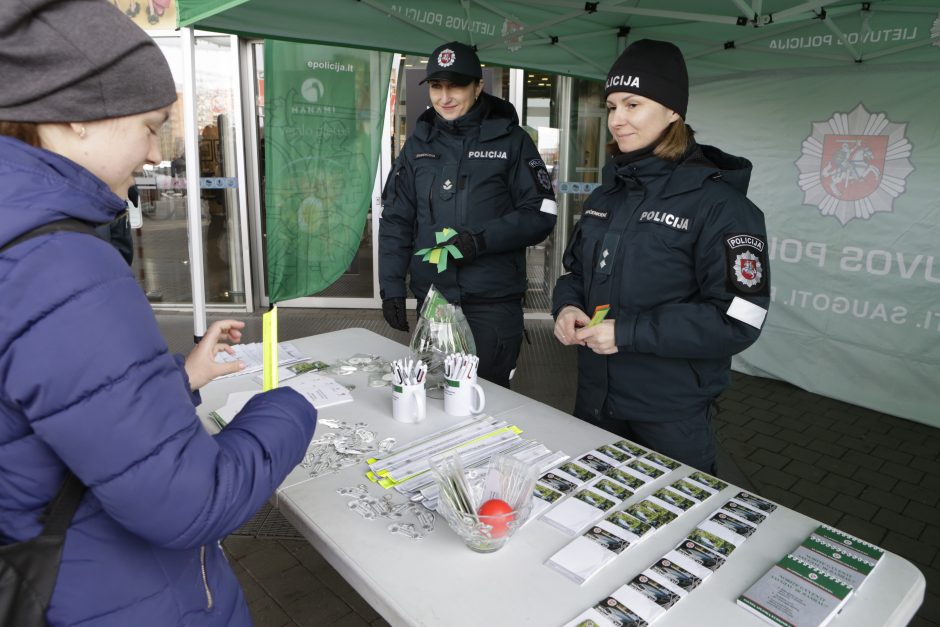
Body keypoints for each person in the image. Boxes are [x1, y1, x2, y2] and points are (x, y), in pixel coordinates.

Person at [0, 2, 317, 625]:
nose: (153, 153)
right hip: (113, 596)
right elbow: (188, 503)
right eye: (150, 125)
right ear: (73, 116)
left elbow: (49, 406)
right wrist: (290, 408)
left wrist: (181, 377)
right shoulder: (60, 262)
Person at [552, 39, 770, 473]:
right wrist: (567, 306)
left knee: (672, 525)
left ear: (673, 111)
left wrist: (627, 333)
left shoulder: (722, 207)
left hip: (669, 414)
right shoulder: (608, 194)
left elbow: (739, 319)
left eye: (633, 105)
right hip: (595, 399)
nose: (617, 120)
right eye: (612, 106)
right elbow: (576, 271)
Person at [379, 41, 557, 387]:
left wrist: (480, 241)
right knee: (435, 395)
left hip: (490, 304)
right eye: (436, 86)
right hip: (435, 302)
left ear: (478, 87)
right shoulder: (419, 143)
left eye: (455, 86)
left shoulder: (512, 141)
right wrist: (391, 288)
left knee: (487, 398)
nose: (444, 97)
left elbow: (541, 212)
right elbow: (398, 219)